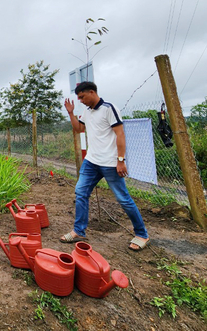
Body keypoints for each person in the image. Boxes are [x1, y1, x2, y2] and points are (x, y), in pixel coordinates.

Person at [60, 81, 150, 251]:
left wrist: (121, 160)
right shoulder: (86, 112)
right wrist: (71, 114)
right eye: (78, 98)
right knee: (80, 192)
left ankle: (142, 234)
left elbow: (120, 134)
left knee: (123, 199)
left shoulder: (109, 108)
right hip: (91, 162)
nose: (80, 100)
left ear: (92, 92)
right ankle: (79, 231)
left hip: (110, 163)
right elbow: (79, 129)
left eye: (82, 96)